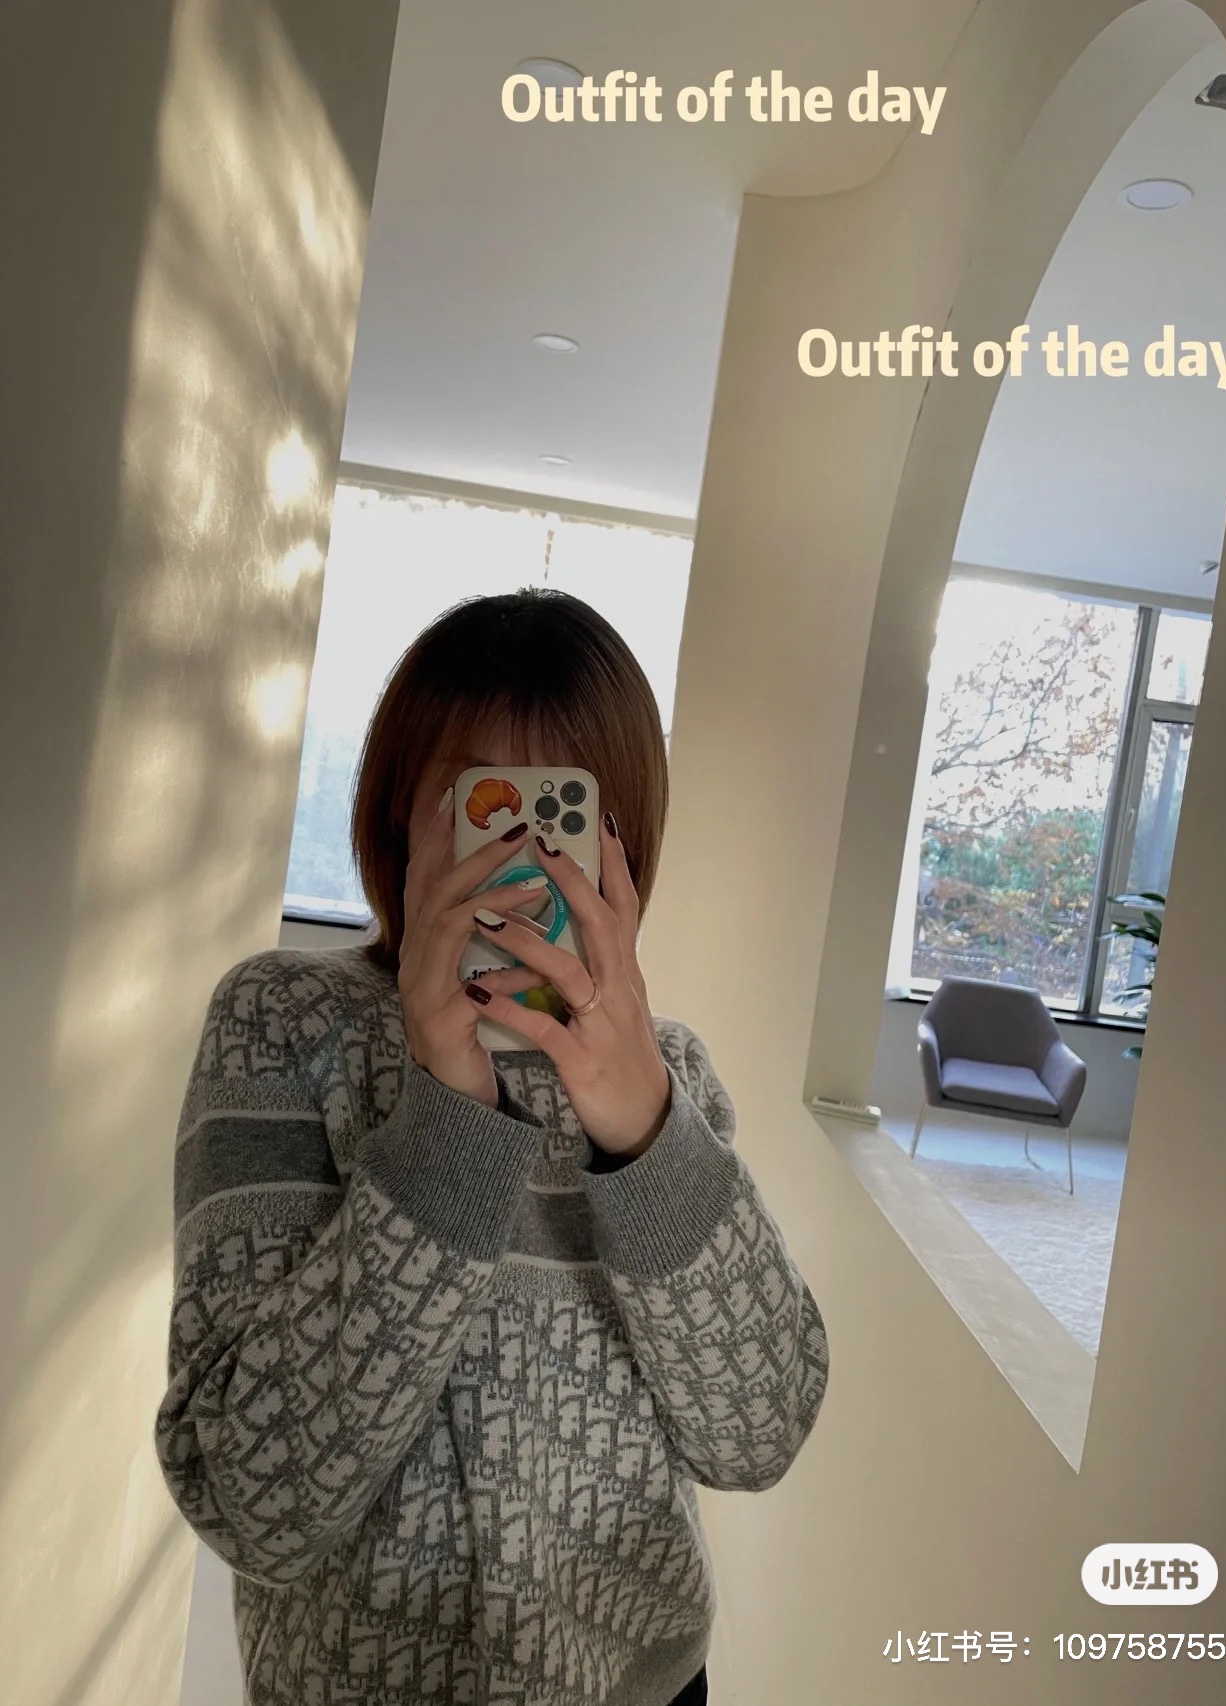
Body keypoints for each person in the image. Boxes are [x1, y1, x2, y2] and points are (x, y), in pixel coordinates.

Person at [155, 589, 829, 1706]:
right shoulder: (281, 1022)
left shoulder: (675, 1077)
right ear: (401, 811)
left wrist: (644, 1127)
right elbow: (251, 1500)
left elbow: (757, 1434)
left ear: (624, 842)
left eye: (562, 809)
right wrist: (445, 1118)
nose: (522, 853)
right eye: (486, 804)